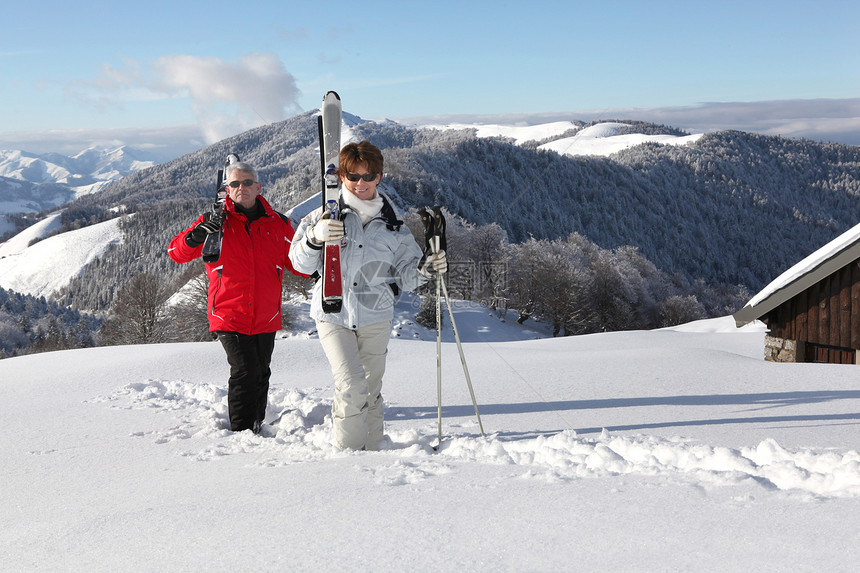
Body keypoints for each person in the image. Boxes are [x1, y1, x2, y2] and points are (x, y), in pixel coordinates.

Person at [289, 140, 447, 450]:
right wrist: (314, 238)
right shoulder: (323, 215)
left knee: (371, 388)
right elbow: (298, 263)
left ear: (379, 177)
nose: (361, 183)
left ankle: (373, 452)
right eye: (353, 176)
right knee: (351, 386)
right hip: (333, 313)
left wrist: (428, 269)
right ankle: (350, 459)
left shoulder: (394, 228)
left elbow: (406, 276)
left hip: (376, 315)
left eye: (369, 175)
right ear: (342, 177)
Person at [168, 160, 305, 434]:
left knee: (261, 372)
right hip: (228, 312)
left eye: (246, 183)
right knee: (244, 371)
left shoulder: (277, 223)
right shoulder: (215, 222)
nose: (241, 188)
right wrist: (195, 236)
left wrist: (320, 261)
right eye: (234, 184)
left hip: (266, 313)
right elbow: (176, 253)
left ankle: (257, 423)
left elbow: (299, 263)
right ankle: (241, 432)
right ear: (226, 190)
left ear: (258, 186)